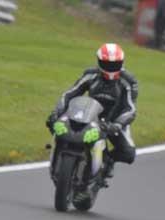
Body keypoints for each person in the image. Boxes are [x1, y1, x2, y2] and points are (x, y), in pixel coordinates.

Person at [46, 43, 138, 178]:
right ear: (99, 61)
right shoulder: (90, 74)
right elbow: (70, 94)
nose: (110, 68)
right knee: (53, 123)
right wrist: (57, 112)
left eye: (114, 64)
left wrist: (117, 124)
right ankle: (59, 155)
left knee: (128, 153)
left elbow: (130, 108)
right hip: (88, 114)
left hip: (114, 121)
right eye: (106, 64)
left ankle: (108, 161)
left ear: (121, 62)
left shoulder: (129, 81)